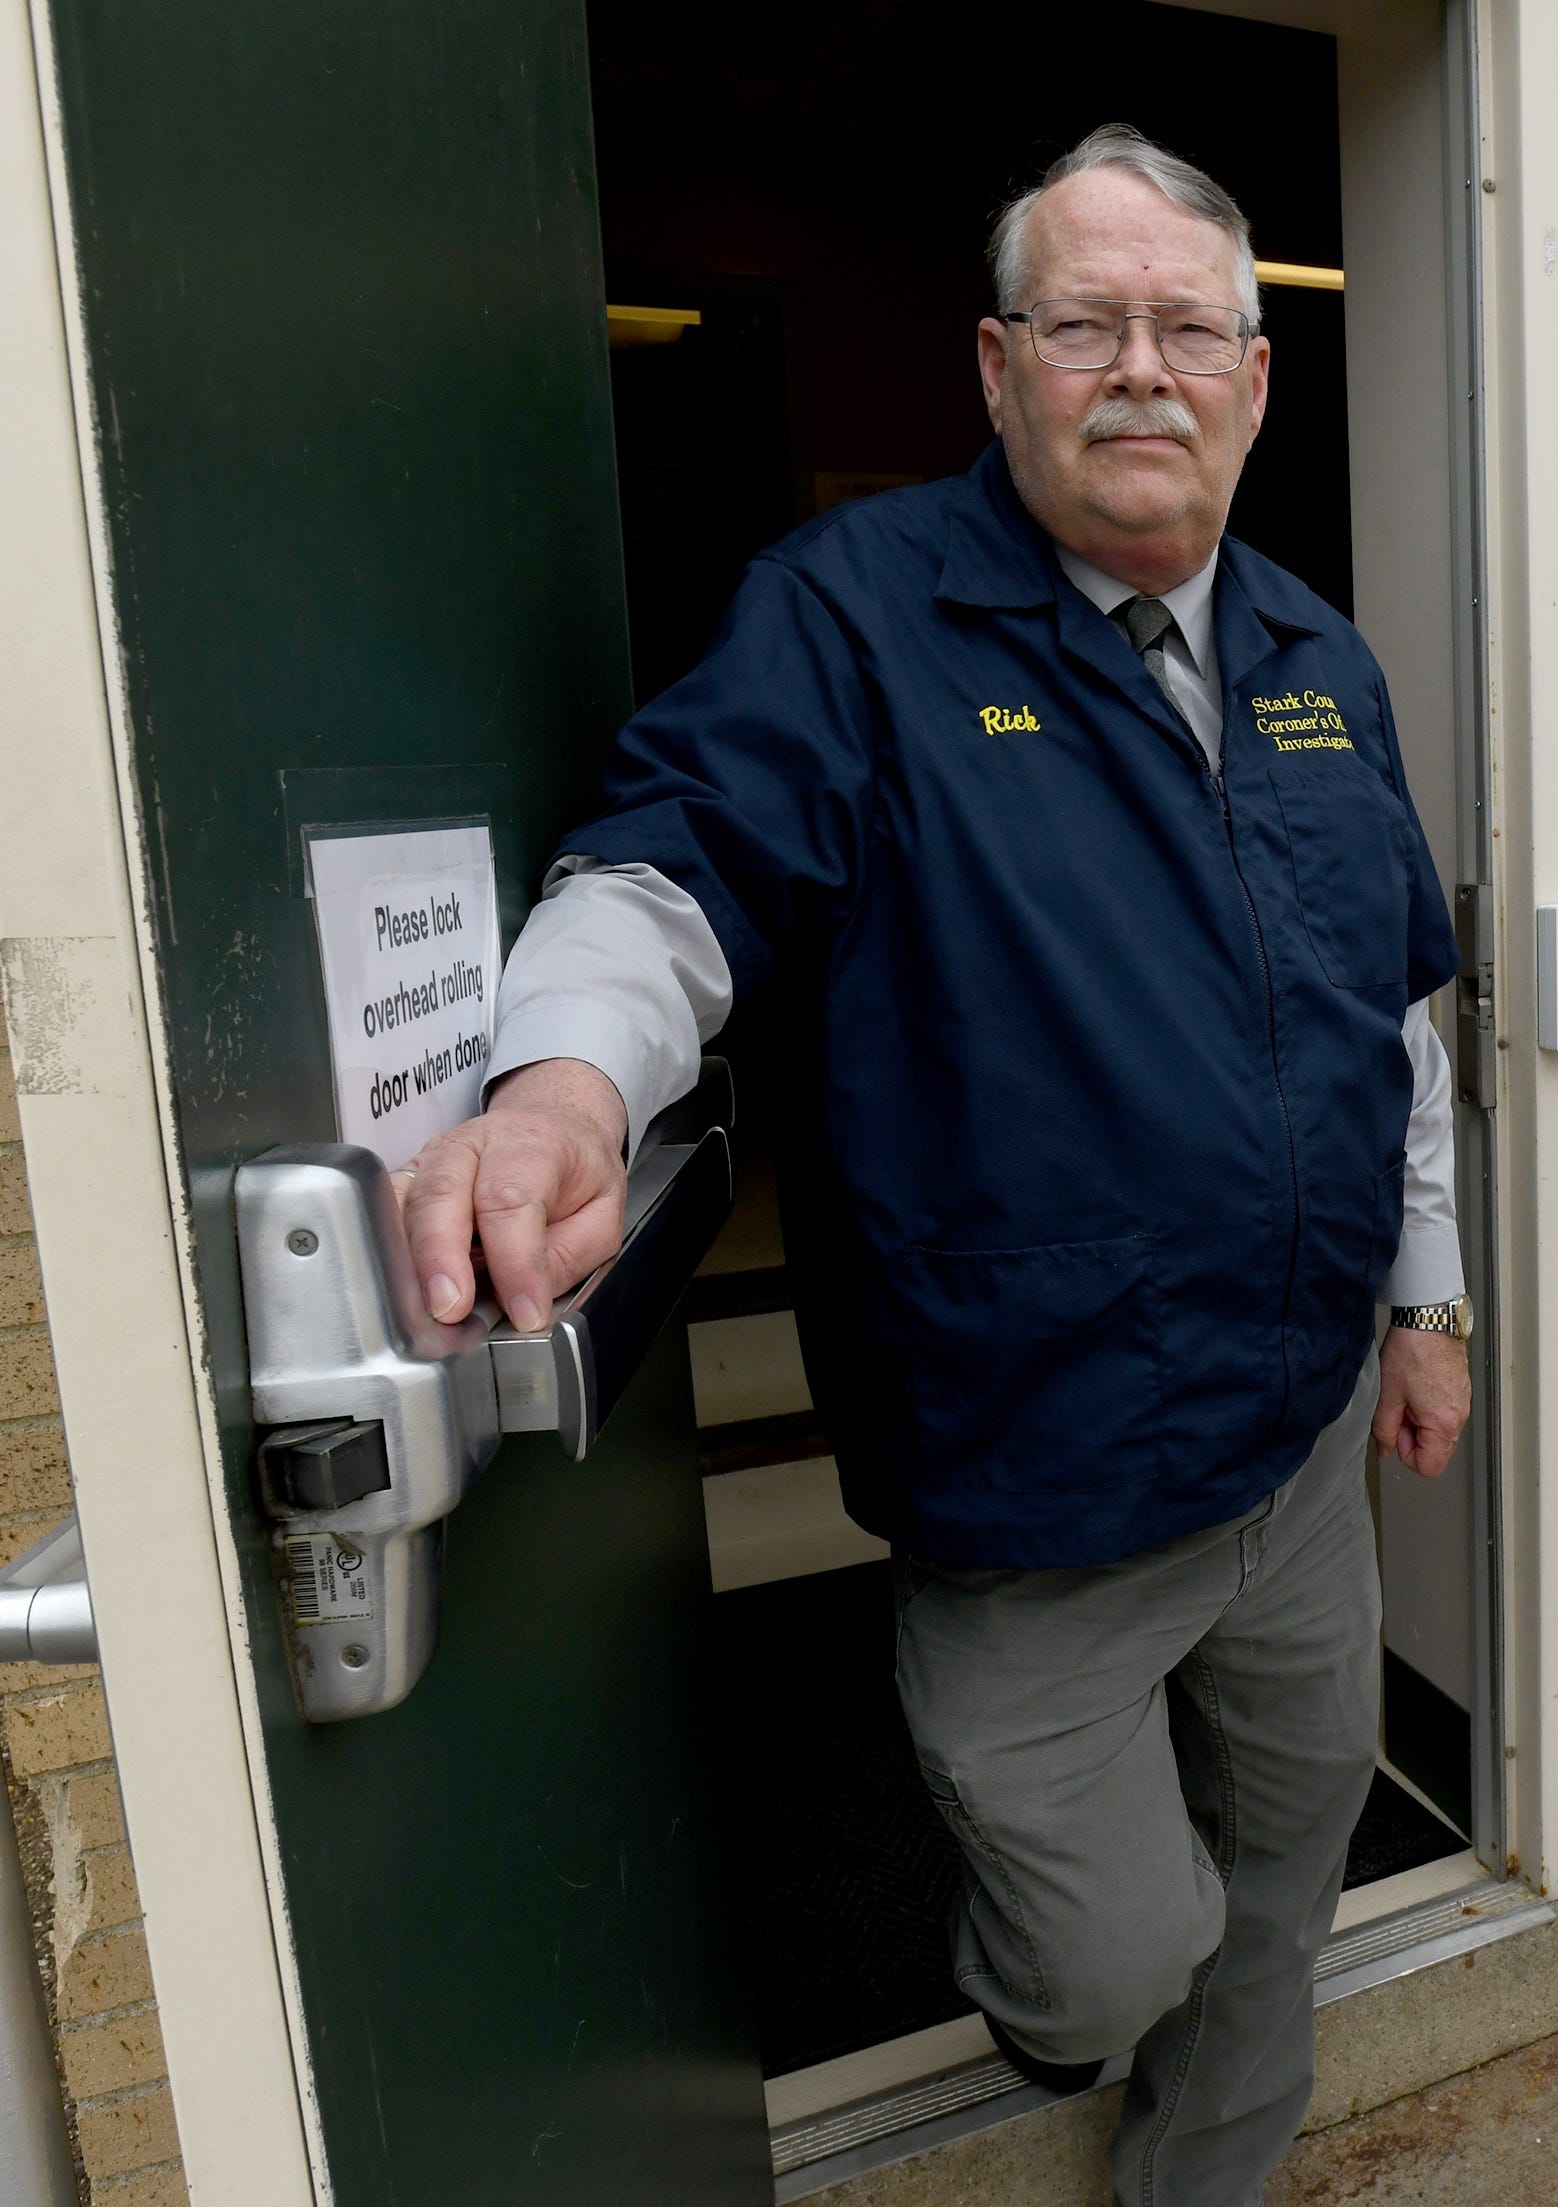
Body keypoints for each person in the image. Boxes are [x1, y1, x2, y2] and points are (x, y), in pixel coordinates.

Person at [401, 124, 1473, 2206]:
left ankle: (1203, 2176)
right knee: (1108, 1956)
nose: (1143, 370)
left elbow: (1396, 1020)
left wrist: (1423, 1304)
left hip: (1304, 1435)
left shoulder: (1317, 660)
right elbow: (670, 871)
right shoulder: (853, 621)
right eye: (1088, 324)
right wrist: (557, 1090)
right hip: (1036, 1470)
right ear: (1000, 372)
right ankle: (1080, 2032)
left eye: (1191, 331)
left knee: (1299, 1851)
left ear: (1259, 382)